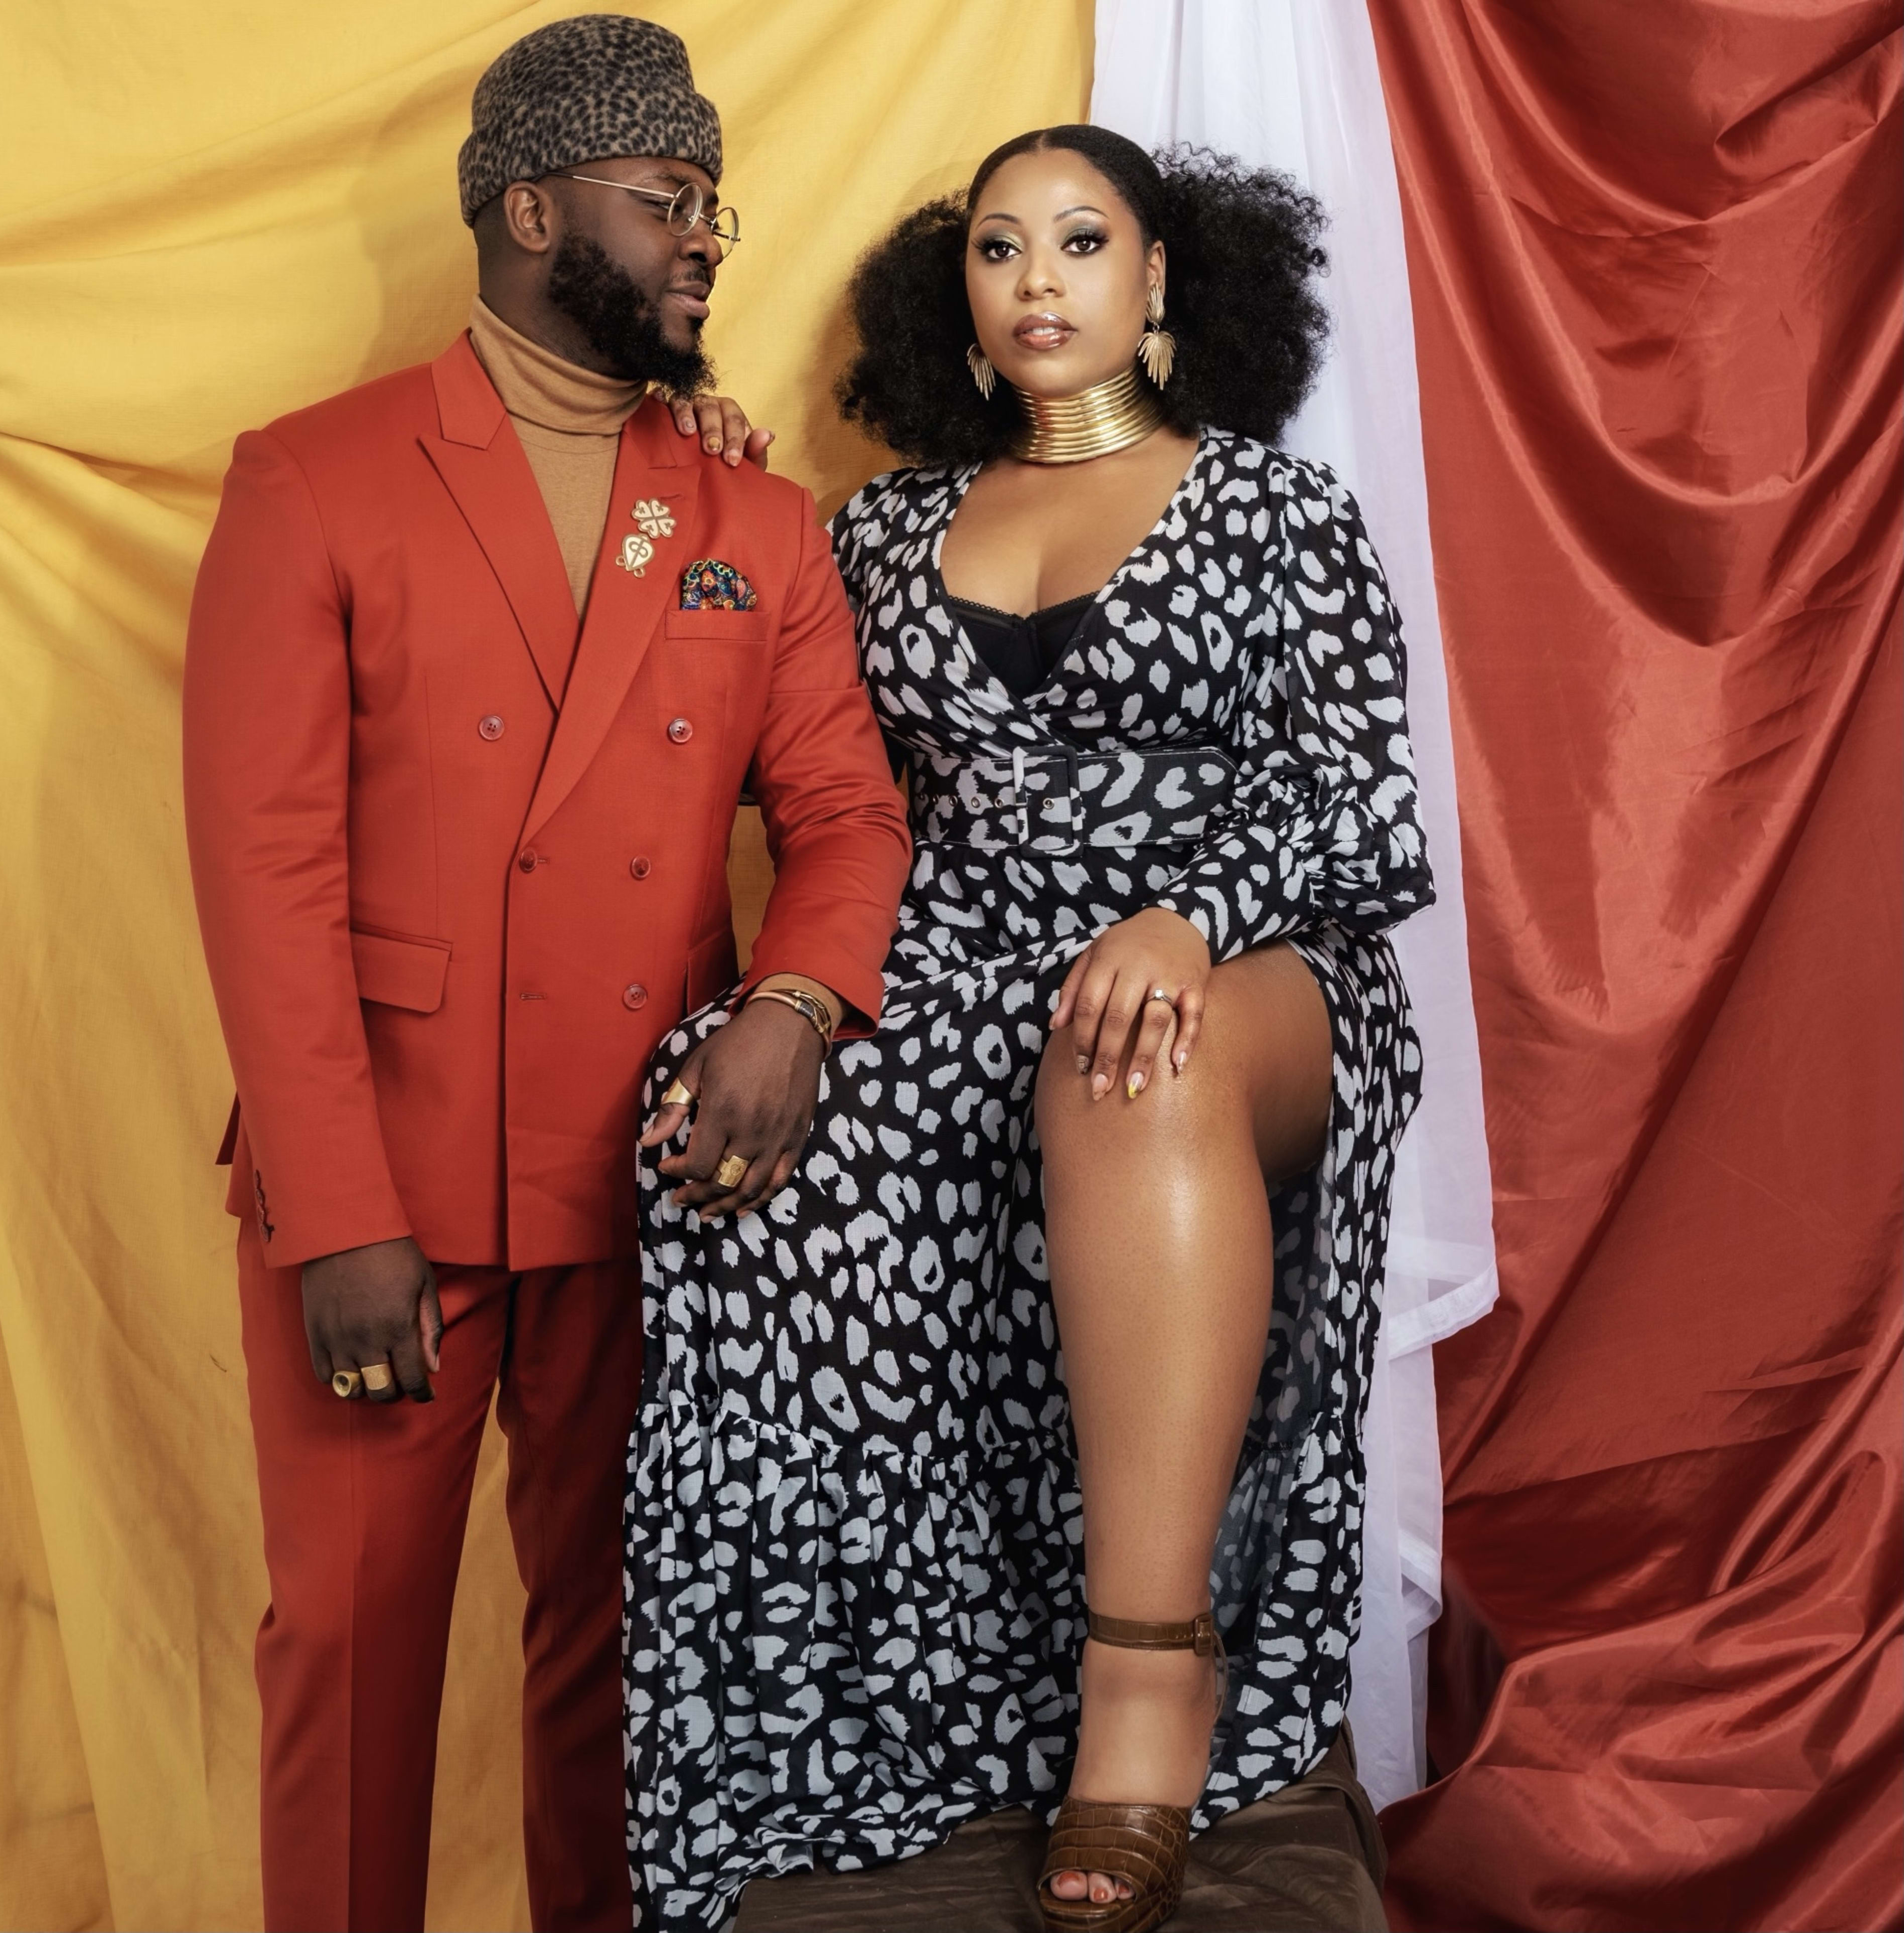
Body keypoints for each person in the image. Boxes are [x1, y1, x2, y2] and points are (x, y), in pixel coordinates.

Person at [624, 124, 1434, 1931]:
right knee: (713, 1115)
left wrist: (1188, 911)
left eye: (1084, 242)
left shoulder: (1272, 507)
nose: (1042, 278)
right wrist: (691, 479)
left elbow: (1372, 811)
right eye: (1002, 250)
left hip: (1259, 968)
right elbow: (795, 750)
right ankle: (867, 1685)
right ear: (962, 303)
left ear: (1162, 283)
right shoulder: (887, 529)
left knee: (1134, 1059)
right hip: (971, 963)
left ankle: (1149, 1686)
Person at [181, 16, 909, 1930]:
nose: (707, 242)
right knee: (351, 1654)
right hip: (385, 1190)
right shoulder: (316, 481)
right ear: (527, 210)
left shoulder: (756, 519)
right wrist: (334, 1210)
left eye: (714, 208)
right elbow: (264, 876)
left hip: (650, 1181)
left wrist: (796, 1008)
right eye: (666, 202)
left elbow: (845, 816)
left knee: (619, 1671)